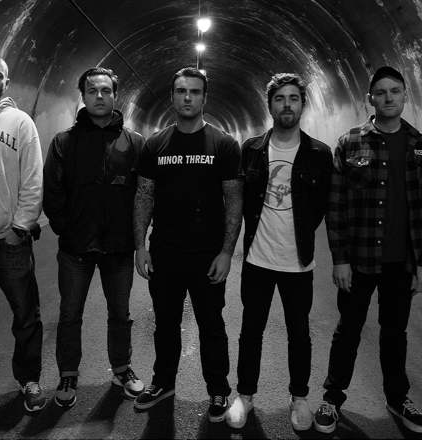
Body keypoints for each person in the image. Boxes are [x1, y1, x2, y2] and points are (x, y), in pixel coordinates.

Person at [314, 66, 422, 434]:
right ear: (369, 99)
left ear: (405, 95)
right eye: (381, 92)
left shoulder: (418, 145)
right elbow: (335, 205)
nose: (389, 98)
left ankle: (398, 398)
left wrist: (420, 263)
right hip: (358, 259)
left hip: (400, 261)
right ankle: (332, 398)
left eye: (395, 91)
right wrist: (340, 259)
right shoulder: (350, 142)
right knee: (348, 330)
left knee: (395, 333)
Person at [132, 67, 242, 422]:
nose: (188, 97)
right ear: (172, 97)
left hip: (207, 254)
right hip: (165, 251)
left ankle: (218, 389)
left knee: (211, 325)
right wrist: (140, 246)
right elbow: (144, 195)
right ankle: (163, 383)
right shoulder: (155, 144)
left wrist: (226, 252)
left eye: (195, 91)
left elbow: (233, 200)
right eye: (181, 91)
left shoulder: (223, 144)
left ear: (205, 98)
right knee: (165, 324)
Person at [225, 73, 332, 431]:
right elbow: (240, 200)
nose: (287, 105)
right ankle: (245, 396)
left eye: (293, 98)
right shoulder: (252, 149)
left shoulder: (319, 154)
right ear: (270, 105)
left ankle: (299, 398)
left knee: (299, 333)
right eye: (280, 98)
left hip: (298, 262)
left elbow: (322, 205)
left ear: (303, 104)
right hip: (258, 259)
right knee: (251, 330)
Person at [43, 67, 145, 408]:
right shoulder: (64, 142)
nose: (99, 96)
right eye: (92, 91)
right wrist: (66, 228)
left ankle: (122, 369)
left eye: (105, 90)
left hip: (118, 247)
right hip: (76, 247)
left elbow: (145, 193)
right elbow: (53, 190)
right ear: (83, 96)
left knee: (120, 313)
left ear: (115, 95)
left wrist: (136, 237)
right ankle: (68, 373)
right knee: (70, 314)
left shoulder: (134, 143)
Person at [0, 53, 46, 411]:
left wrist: (20, 227)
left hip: (8, 240)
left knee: (25, 315)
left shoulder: (21, 122)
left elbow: (32, 179)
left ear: (6, 83)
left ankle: (29, 379)